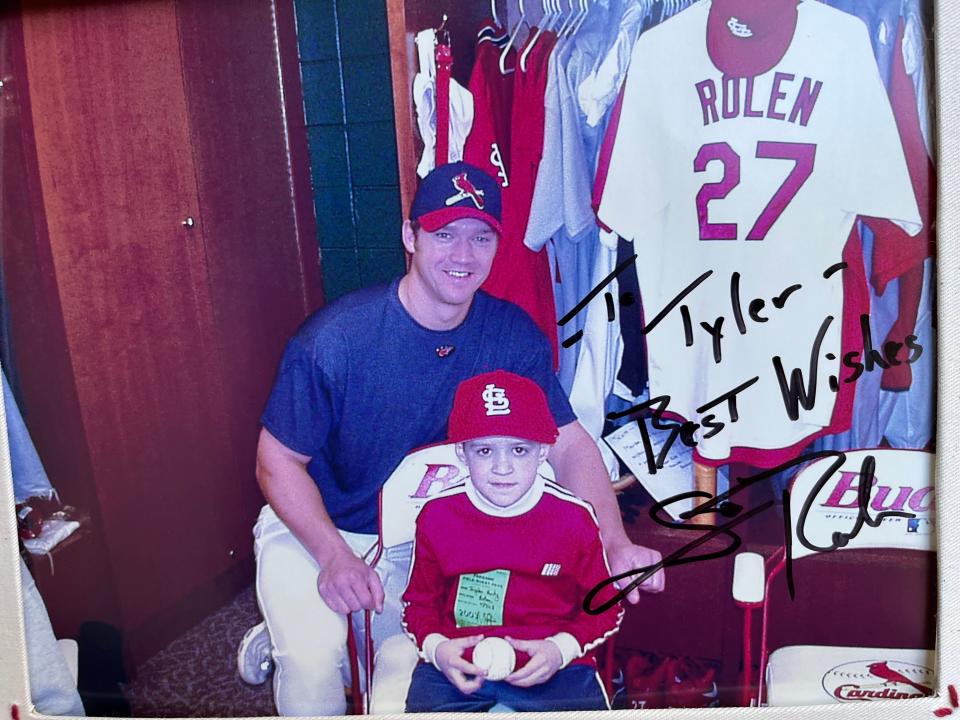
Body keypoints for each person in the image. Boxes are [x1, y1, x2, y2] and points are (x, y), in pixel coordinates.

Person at [241, 161, 664, 715]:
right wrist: (333, 556)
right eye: (444, 234)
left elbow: (568, 444)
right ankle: (292, 633)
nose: (462, 256)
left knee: (409, 668)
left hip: (429, 532)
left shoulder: (509, 333)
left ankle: (304, 630)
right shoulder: (336, 340)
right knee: (317, 666)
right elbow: (275, 462)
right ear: (410, 237)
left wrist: (612, 541)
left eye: (480, 236)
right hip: (321, 523)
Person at [402, 370, 623, 713]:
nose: (501, 468)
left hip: (555, 666)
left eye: (519, 449)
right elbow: (419, 604)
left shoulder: (573, 518)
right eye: (485, 450)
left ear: (543, 452)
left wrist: (561, 649)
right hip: (458, 663)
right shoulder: (437, 515)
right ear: (461, 452)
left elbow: (606, 606)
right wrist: (437, 650)